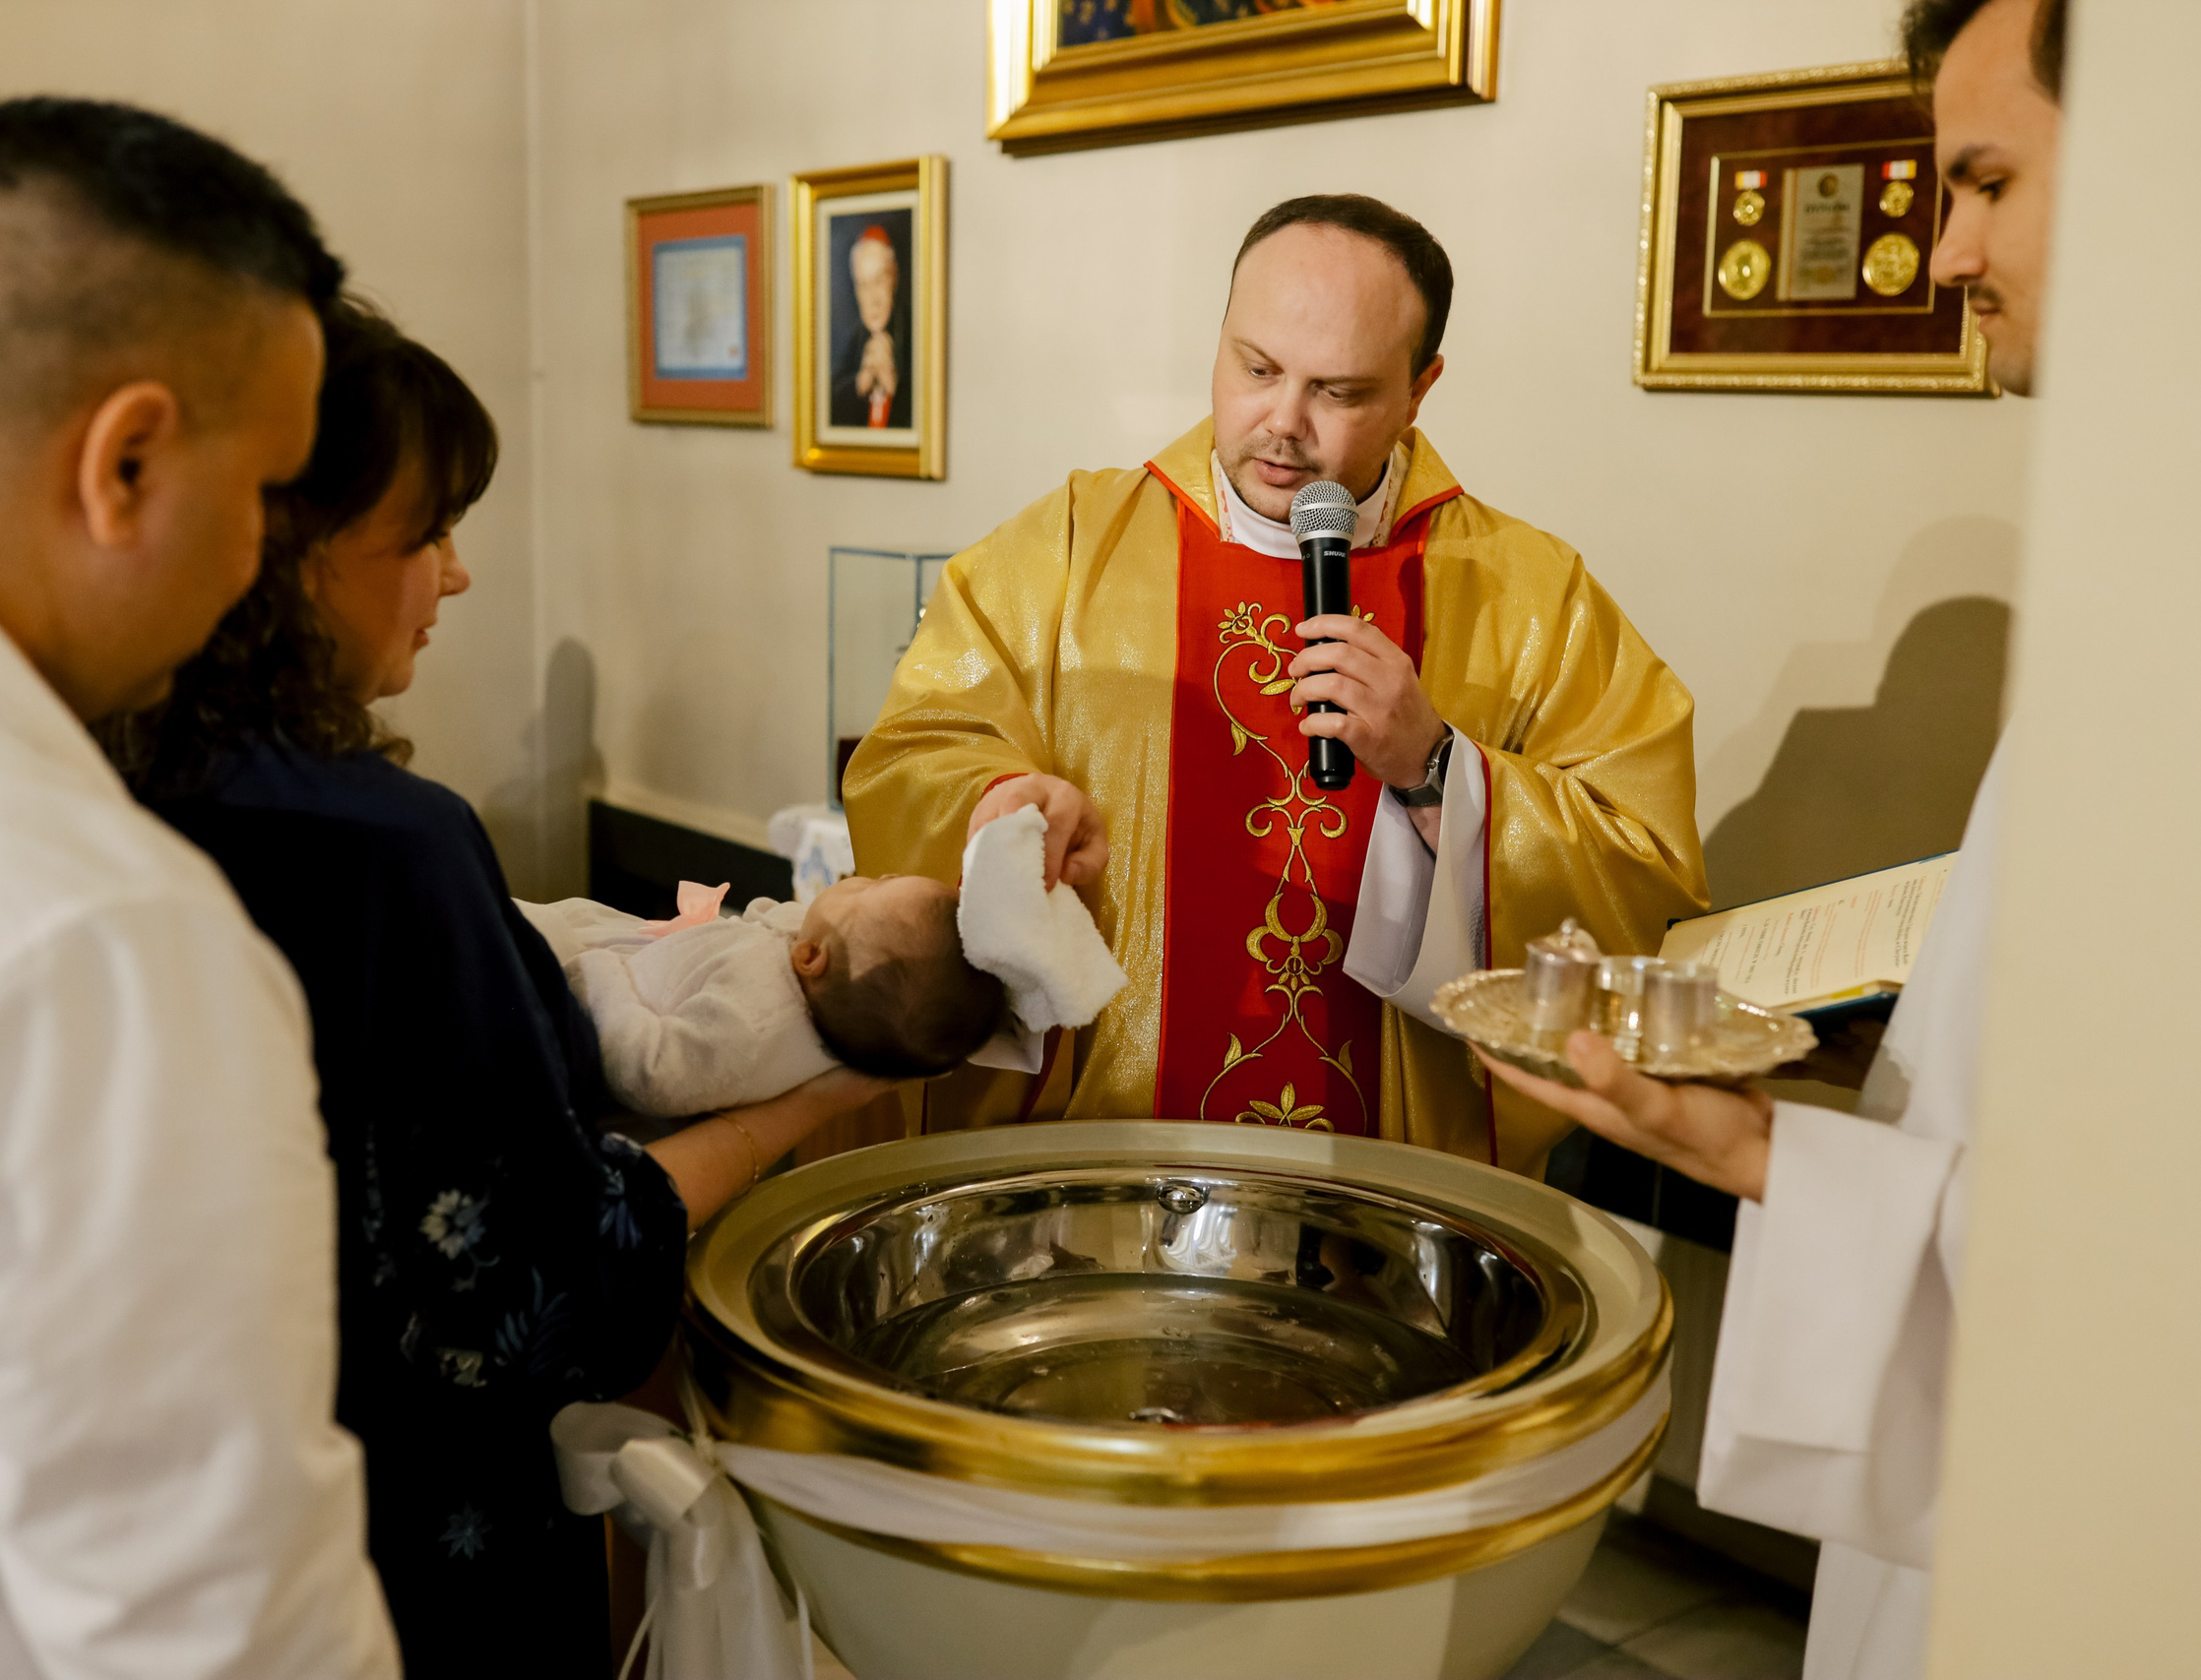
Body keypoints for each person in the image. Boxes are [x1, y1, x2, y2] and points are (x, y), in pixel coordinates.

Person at [101, 296, 889, 1676]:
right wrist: (816, 1101)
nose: (454, 579)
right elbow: (542, 1287)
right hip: (401, 1549)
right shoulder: (386, 851)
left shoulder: (97, 774)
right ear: (290, 550)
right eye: (426, 535)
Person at [0, 98, 398, 1675]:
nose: (258, 556)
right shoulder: (85, 931)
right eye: (264, 491)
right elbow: (226, 1636)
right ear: (126, 462)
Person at [1478, 4, 2067, 1676]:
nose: (1945, 249)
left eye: (1985, 181)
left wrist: (1444, 770)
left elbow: (2139, 1236)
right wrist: (1748, 1142)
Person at [846, 194, 1706, 1168]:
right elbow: (914, 751)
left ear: (1419, 390)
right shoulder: (1069, 550)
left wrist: (1436, 769)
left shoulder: (1531, 595)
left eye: (1338, 392)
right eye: (1256, 369)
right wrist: (999, 805)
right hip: (1101, 1150)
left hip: (1393, 1177)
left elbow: (1641, 877)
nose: (1283, 424)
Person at [520, 873, 1007, 1116]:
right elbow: (783, 922)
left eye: (878, 883)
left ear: (812, 957)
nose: (867, 875)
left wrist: (599, 977)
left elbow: (652, 1072)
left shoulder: (750, 1026)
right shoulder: (822, 979)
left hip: (570, 1004)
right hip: (615, 949)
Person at [830, 223, 911, 429]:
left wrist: (895, 388)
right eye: (863, 285)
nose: (872, 299)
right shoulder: (852, 345)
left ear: (894, 278)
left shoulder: (912, 337)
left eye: (879, 281)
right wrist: (859, 385)